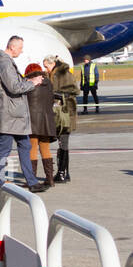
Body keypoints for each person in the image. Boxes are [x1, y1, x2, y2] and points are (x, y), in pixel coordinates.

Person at [0, 36, 46, 192]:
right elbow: (14, 87)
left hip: (8, 114)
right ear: (12, 47)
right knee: (4, 149)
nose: (22, 51)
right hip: (10, 115)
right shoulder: (5, 64)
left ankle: (31, 181)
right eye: (20, 48)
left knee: (22, 146)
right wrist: (32, 83)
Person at [44, 54, 78, 183]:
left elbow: (75, 90)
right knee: (62, 142)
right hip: (59, 113)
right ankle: (64, 172)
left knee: (63, 142)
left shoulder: (63, 74)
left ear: (52, 64)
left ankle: (62, 173)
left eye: (46, 66)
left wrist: (56, 95)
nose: (45, 69)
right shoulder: (54, 74)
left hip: (65, 113)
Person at [24, 63, 58, 188]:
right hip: (47, 120)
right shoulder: (48, 83)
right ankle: (50, 179)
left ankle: (31, 179)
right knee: (45, 149)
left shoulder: (28, 84)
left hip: (32, 121)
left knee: (32, 149)